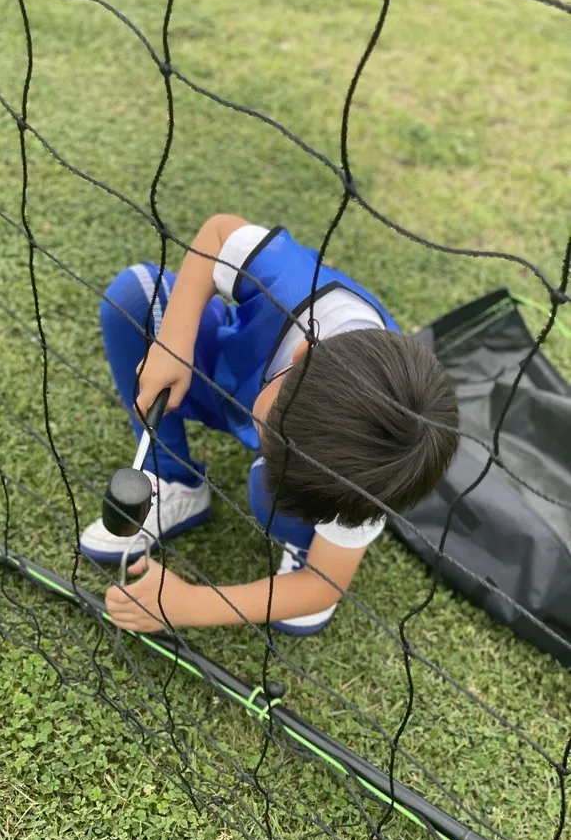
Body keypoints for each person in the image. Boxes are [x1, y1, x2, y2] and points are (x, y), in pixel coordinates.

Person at [82, 215, 459, 634]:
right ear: (303, 353)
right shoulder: (291, 285)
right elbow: (219, 232)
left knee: (268, 486)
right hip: (223, 375)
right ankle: (172, 480)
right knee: (135, 296)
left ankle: (301, 543)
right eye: (269, 427)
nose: (261, 438)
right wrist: (173, 343)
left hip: (310, 458)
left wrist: (191, 605)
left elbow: (322, 586)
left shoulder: (369, 467)